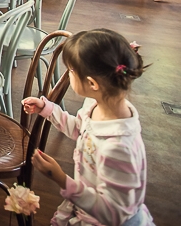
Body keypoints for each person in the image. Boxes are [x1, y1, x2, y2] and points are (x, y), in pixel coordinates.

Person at [23, 29, 153, 226]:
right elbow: (79, 129)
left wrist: (61, 179)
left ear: (92, 83)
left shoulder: (118, 148)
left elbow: (115, 214)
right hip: (84, 207)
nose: (69, 74)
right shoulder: (96, 105)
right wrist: (46, 109)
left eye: (71, 71)